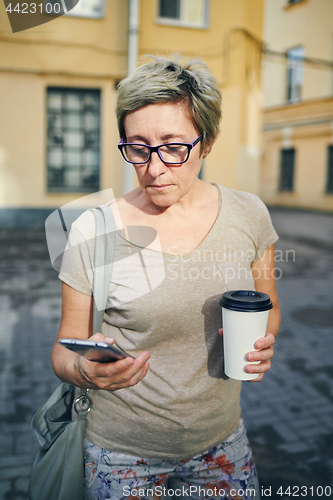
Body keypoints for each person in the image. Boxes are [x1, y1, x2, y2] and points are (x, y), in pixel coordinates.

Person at [52, 55, 280, 500]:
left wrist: (262, 345)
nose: (154, 168)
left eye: (173, 147)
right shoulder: (93, 229)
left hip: (221, 443)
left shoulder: (250, 214)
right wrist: (82, 369)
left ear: (207, 141)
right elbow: (64, 348)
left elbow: (268, 308)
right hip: (121, 455)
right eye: (137, 147)